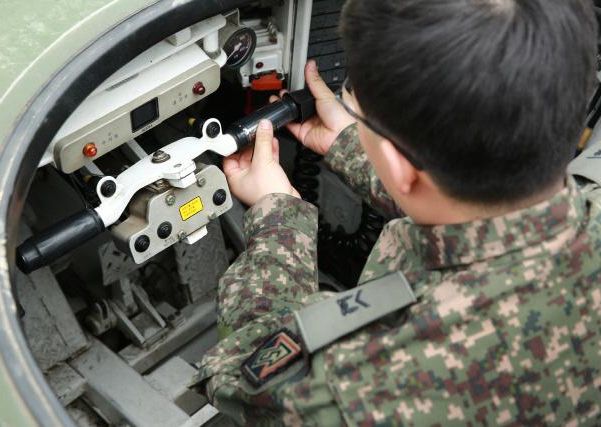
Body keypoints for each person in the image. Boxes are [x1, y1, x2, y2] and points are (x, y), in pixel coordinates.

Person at [191, 0, 601, 425]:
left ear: (401, 166)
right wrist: (354, 143)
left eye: (356, 109)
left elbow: (241, 370)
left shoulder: (363, 387)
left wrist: (276, 216)